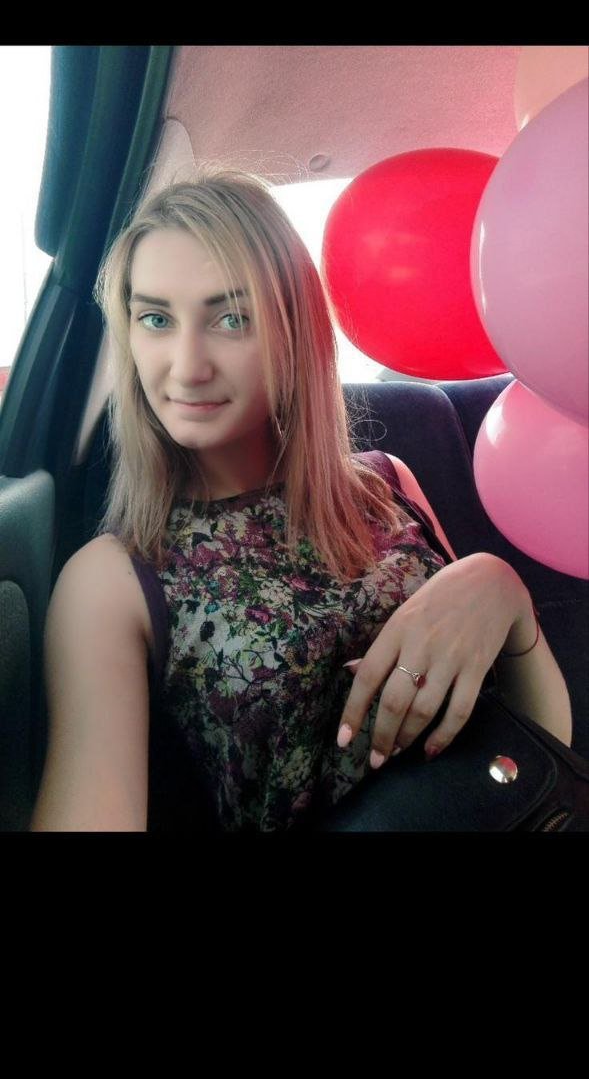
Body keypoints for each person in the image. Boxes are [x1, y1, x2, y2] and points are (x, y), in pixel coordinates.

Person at [29, 168, 573, 832]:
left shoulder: (387, 483)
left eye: (232, 318)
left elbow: (540, 751)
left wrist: (501, 590)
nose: (187, 366)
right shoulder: (113, 578)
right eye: (155, 319)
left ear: (294, 329)